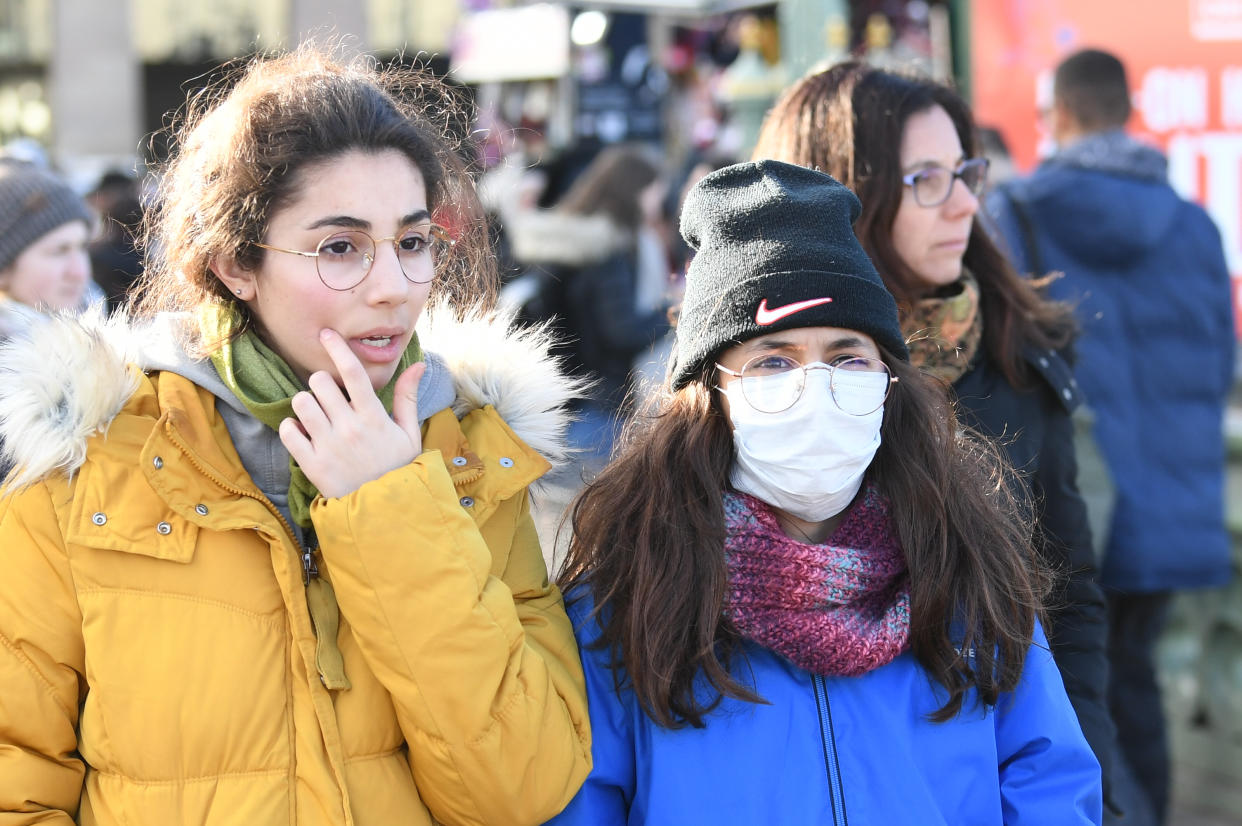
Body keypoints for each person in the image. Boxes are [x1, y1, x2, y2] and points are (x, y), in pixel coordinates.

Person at [0, 46, 590, 824]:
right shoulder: (90, 460)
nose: (393, 288)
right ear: (233, 264)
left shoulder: (472, 455)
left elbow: (522, 788)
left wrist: (394, 507)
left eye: (413, 242)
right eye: (340, 247)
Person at [548, 160, 1102, 825]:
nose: (815, 388)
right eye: (774, 360)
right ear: (711, 395)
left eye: (847, 357)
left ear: (887, 381)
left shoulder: (965, 569)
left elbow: (1048, 781)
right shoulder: (622, 605)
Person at [752, 61, 1125, 820]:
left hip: (986, 772)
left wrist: (1084, 799)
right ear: (839, 192)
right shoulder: (764, 387)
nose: (961, 204)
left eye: (964, 172)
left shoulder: (1016, 353)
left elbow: (1072, 598)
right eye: (925, 178)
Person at [987, 48, 1235, 826]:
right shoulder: (1194, 224)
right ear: (1128, 109)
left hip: (1079, 504)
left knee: (1074, 688)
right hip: (1175, 504)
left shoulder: (1020, 210)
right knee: (1137, 678)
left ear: (1058, 114)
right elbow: (1222, 360)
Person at [503, 144, 672, 475]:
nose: (656, 201)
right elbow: (620, 332)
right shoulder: (610, 249)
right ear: (634, 191)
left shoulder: (563, 239)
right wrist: (671, 312)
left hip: (556, 401)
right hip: (602, 405)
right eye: (654, 191)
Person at [0, 160, 95, 479]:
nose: (78, 271)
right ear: (5, 267)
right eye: (58, 251)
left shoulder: (108, 338)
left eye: (82, 247)